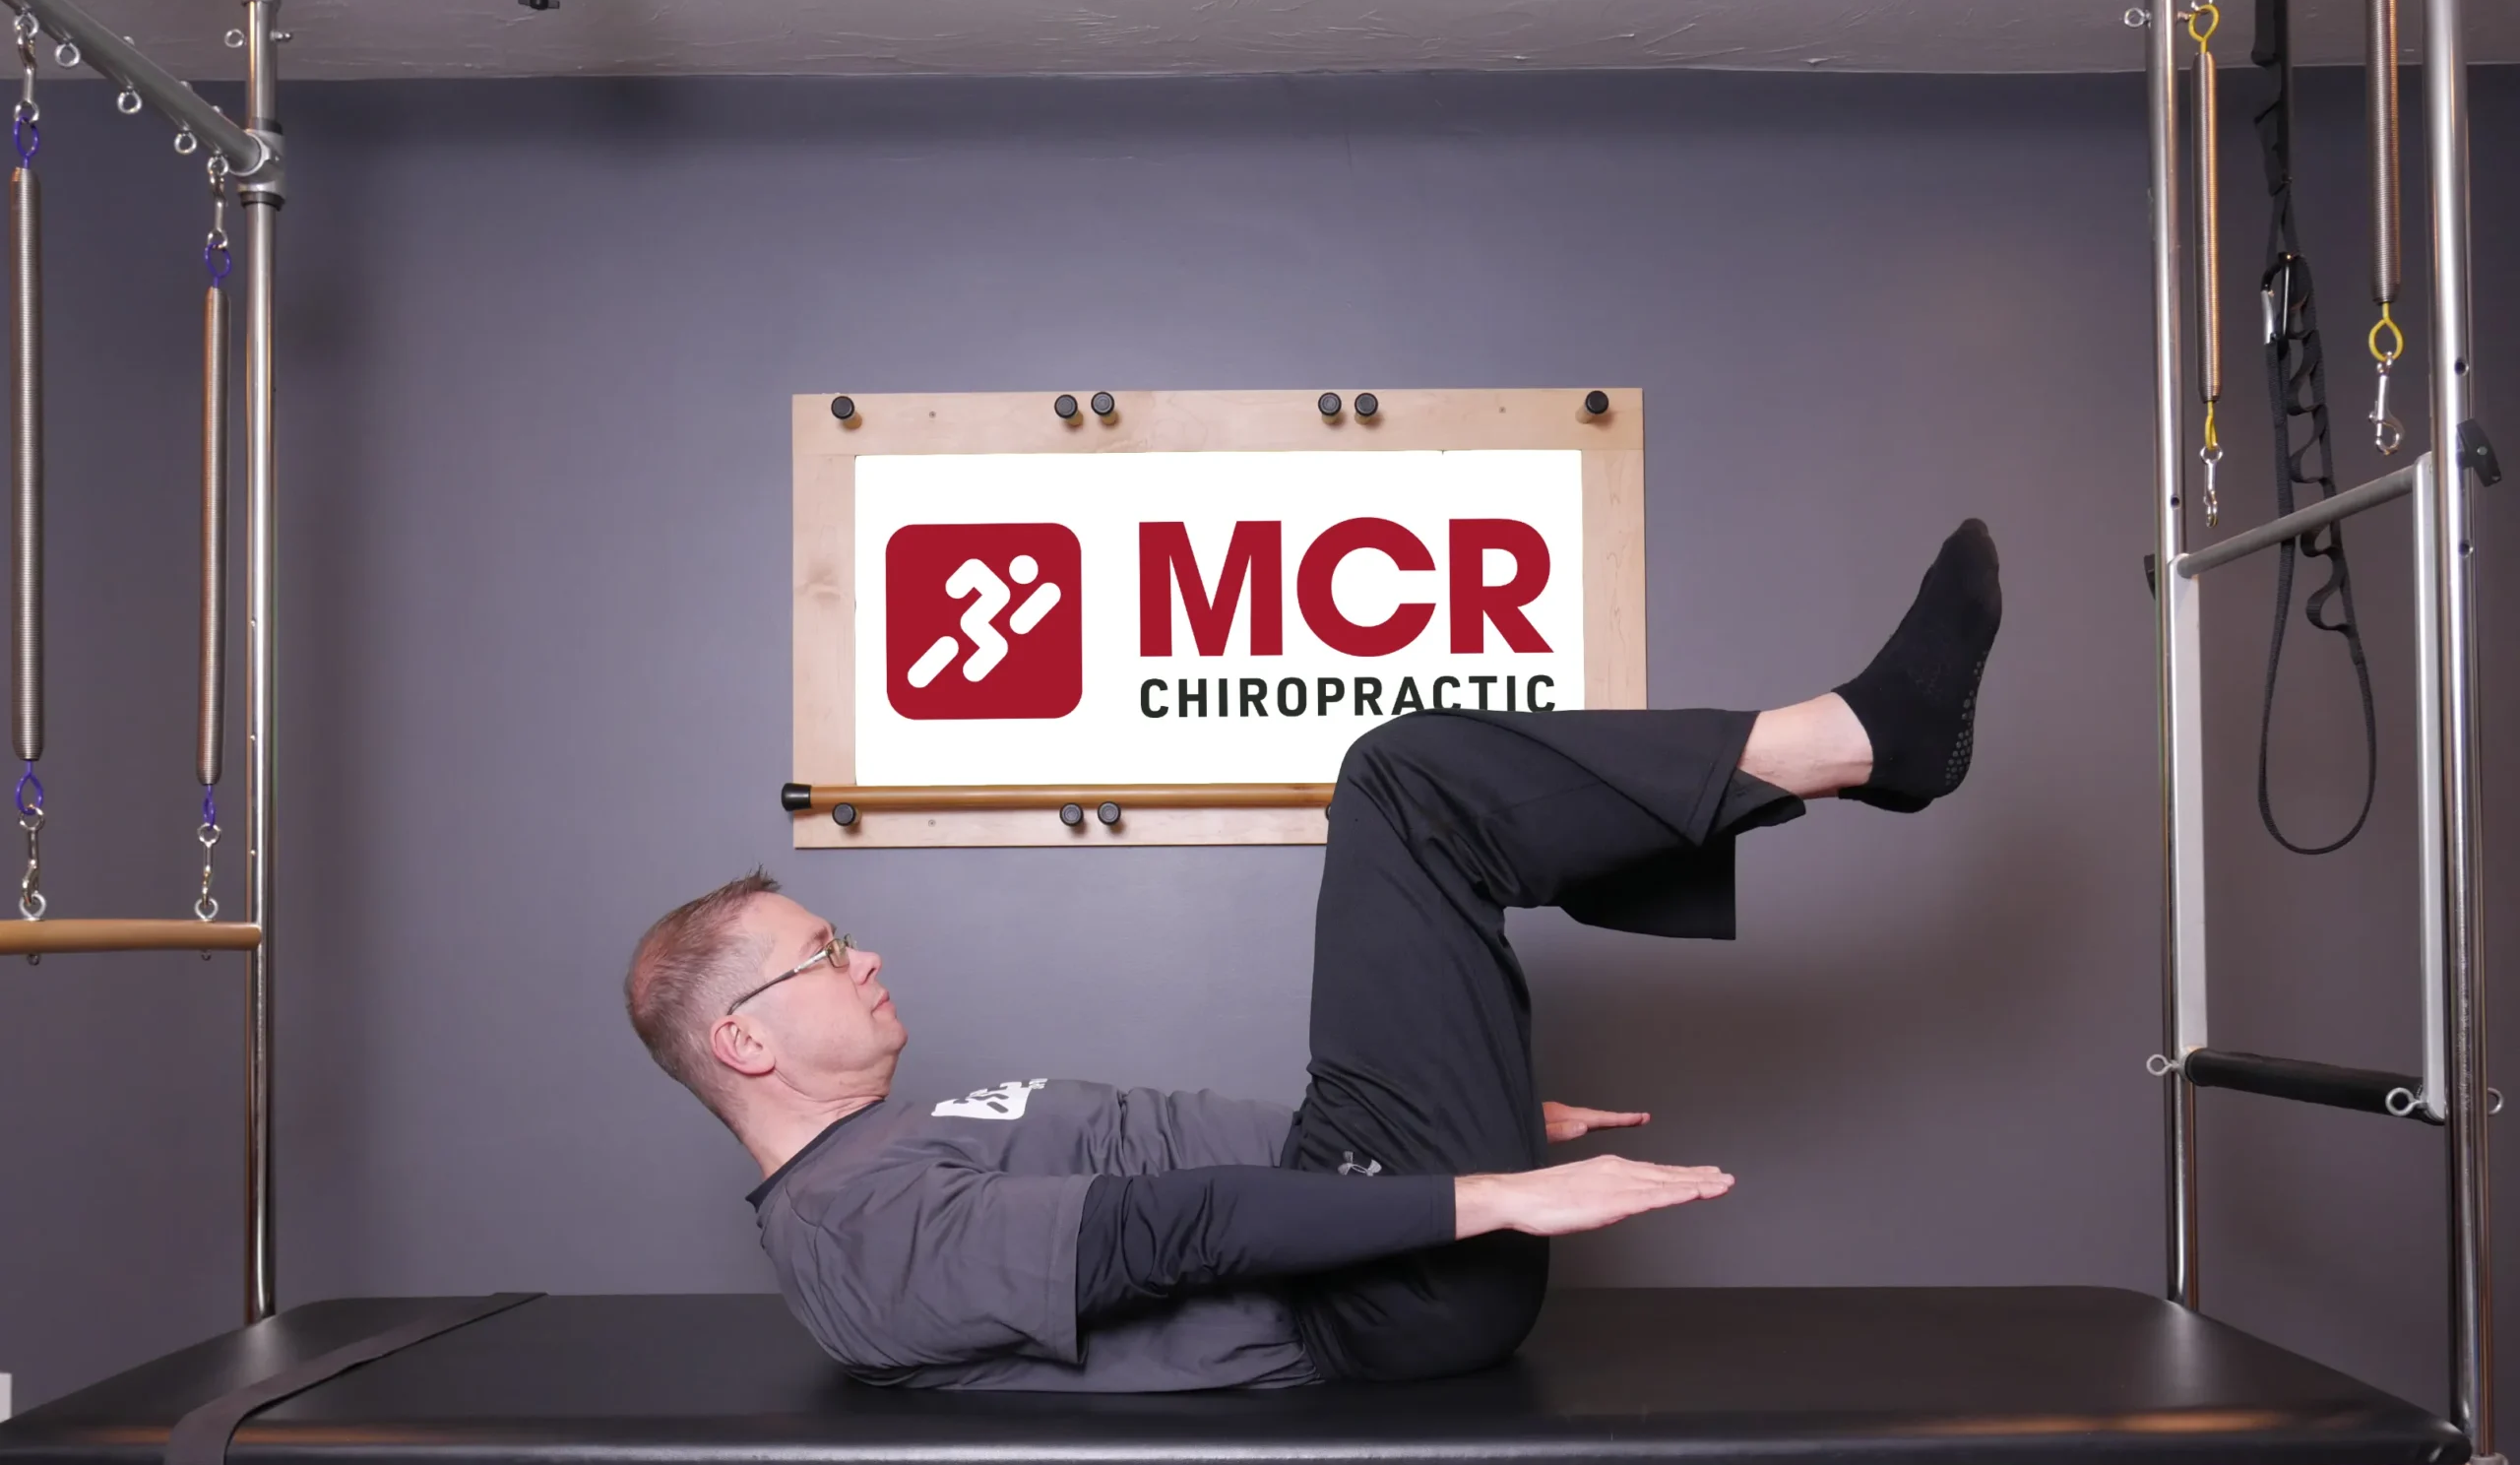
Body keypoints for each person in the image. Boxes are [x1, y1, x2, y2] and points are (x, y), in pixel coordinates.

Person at [625, 522, 2001, 1391]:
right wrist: (1485, 1194)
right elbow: (1181, 1229)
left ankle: (1851, 752)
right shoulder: (856, 1231)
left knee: (1408, 784)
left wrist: (1485, 1115)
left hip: (1357, 1191)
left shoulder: (902, 1140)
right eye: (824, 954)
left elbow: (1177, 1150)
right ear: (742, 1036)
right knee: (1402, 783)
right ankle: (1854, 745)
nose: (868, 961)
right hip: (1378, 1305)